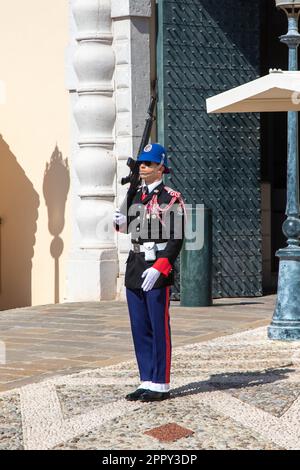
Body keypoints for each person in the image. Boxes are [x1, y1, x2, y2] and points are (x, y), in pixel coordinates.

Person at [113, 143, 186, 402]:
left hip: (156, 268)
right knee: (139, 326)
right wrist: (119, 221)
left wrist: (160, 267)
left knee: (158, 327)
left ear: (160, 168)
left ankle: (161, 383)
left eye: (148, 164)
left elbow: (177, 239)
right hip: (135, 265)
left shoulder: (171, 198)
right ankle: (146, 379)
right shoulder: (135, 195)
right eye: (141, 164)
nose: (142, 168)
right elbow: (125, 228)